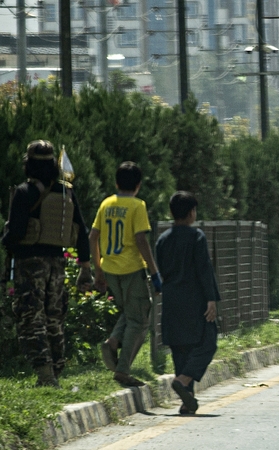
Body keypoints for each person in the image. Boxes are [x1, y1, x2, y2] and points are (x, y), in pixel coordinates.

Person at [1, 140, 93, 387]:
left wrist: (5, 238)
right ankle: (56, 369)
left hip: (30, 264)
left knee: (32, 317)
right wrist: (85, 267)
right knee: (54, 317)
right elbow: (81, 232)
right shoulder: (66, 192)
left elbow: (16, 234)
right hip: (57, 264)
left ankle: (45, 374)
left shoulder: (24, 192)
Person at [89, 161, 161, 387]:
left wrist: (98, 270)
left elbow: (93, 236)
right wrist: (154, 271)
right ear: (138, 185)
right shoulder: (137, 206)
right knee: (139, 320)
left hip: (110, 268)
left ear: (116, 182)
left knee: (130, 313)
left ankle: (113, 342)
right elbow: (141, 239)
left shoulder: (106, 204)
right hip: (131, 268)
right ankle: (123, 370)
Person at [156, 191, 220, 415]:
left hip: (172, 299)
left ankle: (187, 401)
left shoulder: (163, 239)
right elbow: (204, 270)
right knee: (207, 341)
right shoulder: (197, 237)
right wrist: (211, 299)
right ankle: (183, 381)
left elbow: (160, 270)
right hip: (195, 299)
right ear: (192, 212)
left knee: (180, 349)